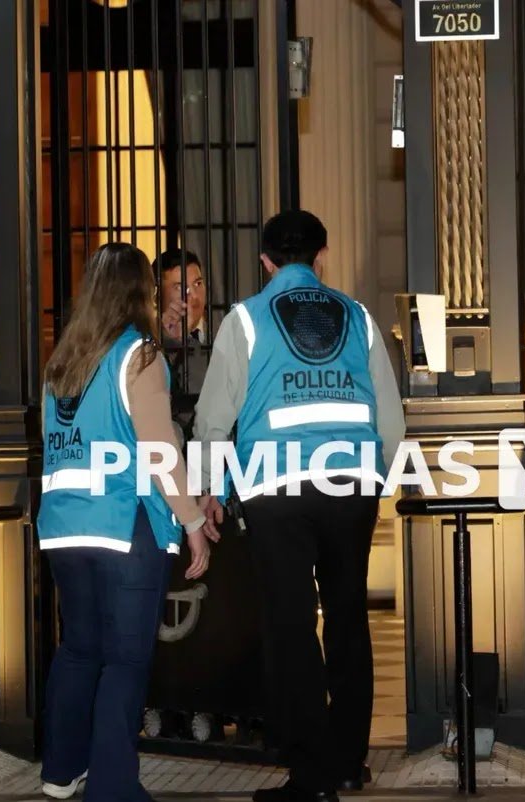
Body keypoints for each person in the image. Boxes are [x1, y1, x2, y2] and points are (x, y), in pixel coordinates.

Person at [194, 211, 405, 802]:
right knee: (347, 618)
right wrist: (378, 480)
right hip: (350, 485)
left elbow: (214, 419)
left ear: (265, 261)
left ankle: (310, 775)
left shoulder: (245, 319)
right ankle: (348, 761)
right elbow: (390, 418)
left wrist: (211, 489)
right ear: (321, 255)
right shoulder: (359, 317)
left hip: (276, 487)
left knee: (291, 626)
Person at [37, 243, 220, 801]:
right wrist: (191, 520)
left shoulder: (62, 362)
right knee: (125, 660)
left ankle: (60, 772)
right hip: (122, 524)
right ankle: (113, 788)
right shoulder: (138, 355)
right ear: (142, 290)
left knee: (78, 650)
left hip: (63, 527)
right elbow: (160, 450)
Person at [156, 248, 209, 405]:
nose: (194, 295)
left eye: (198, 284)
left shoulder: (223, 331)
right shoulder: (148, 341)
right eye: (179, 287)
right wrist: (172, 341)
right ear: (157, 295)